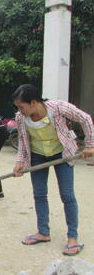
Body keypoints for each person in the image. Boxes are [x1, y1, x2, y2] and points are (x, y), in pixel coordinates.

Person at [12, 84, 94, 256]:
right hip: (37, 157)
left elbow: (85, 119)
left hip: (62, 155)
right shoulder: (21, 118)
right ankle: (43, 232)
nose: (19, 111)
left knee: (67, 195)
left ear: (33, 102)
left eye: (21, 106)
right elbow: (22, 139)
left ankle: (73, 237)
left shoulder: (58, 108)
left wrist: (90, 145)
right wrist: (20, 161)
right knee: (39, 194)